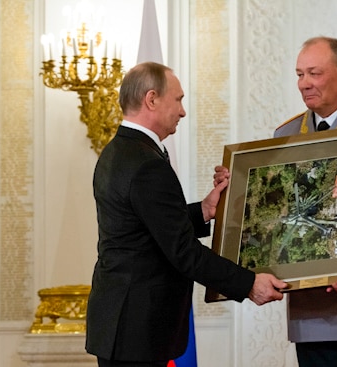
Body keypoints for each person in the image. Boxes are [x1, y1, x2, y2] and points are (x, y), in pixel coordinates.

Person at [214, 36, 337, 367]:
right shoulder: (284, 136)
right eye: (299, 74)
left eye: (314, 73)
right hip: (312, 316)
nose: (304, 84)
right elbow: (273, 218)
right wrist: (237, 190)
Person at [85, 62, 287, 367]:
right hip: (138, 329)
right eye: (178, 99)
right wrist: (249, 284)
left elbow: (146, 229)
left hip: (123, 324)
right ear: (152, 99)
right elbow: (183, 252)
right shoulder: (146, 163)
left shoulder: (118, 151)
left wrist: (204, 210)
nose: (182, 111)